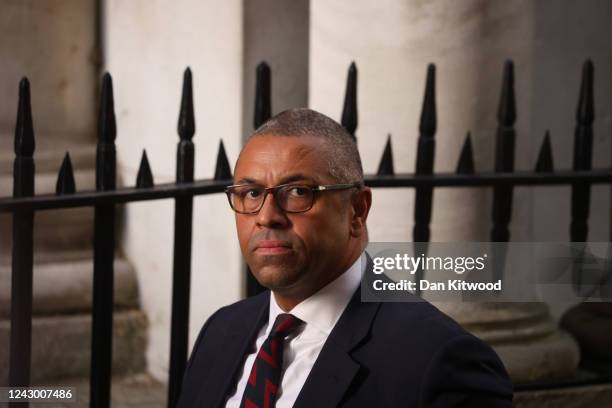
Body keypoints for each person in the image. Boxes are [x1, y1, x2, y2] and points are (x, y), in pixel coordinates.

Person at [176, 108, 513, 408]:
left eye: (297, 192)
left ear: (357, 210)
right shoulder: (220, 330)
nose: (266, 216)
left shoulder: (438, 361)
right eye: (251, 194)